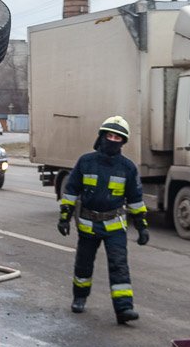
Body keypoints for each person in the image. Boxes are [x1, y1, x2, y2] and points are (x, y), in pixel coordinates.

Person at [57, 116, 149, 324]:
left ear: (123, 142)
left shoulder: (127, 167)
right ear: (101, 136)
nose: (113, 140)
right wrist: (64, 218)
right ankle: (79, 298)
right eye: (109, 135)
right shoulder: (86, 162)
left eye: (118, 137)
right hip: (88, 225)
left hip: (115, 226)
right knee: (83, 265)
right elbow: (71, 191)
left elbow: (135, 199)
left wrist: (142, 227)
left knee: (119, 266)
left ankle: (124, 309)